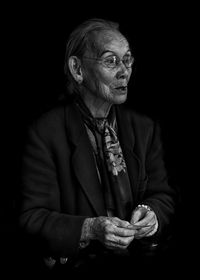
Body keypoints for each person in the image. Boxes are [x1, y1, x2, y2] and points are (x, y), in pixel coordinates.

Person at [18, 18, 177, 278]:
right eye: (110, 61)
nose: (124, 71)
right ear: (77, 69)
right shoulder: (46, 132)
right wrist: (91, 228)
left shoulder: (143, 127)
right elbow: (31, 219)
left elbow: (163, 195)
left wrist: (152, 214)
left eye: (127, 60)